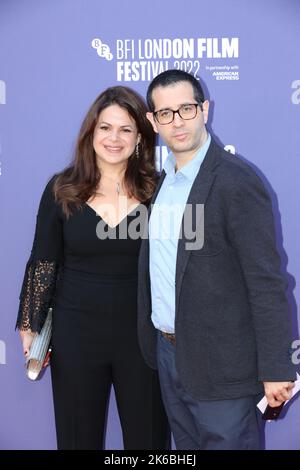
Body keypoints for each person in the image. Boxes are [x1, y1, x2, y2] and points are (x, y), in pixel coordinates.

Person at [137, 69, 296, 450]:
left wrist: (276, 368)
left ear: (205, 109)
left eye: (186, 109)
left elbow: (266, 280)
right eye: (165, 113)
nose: (177, 122)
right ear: (152, 121)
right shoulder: (162, 184)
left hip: (225, 365)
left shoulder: (236, 181)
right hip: (170, 356)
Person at [16, 86, 169, 450]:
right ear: (91, 133)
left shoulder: (159, 189)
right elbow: (43, 260)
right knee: (76, 438)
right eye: (105, 128)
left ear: (139, 139)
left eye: (125, 129)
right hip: (76, 335)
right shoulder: (62, 188)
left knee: (148, 440)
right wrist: (29, 323)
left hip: (143, 337)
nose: (114, 138)